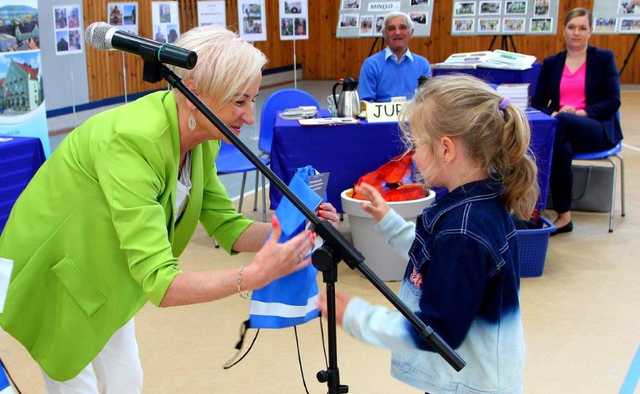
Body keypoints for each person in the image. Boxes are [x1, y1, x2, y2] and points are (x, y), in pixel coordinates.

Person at [0, 26, 338, 393]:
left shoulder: (201, 137)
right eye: (239, 102)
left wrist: (295, 225)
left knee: (126, 381)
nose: (251, 117)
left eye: (253, 100)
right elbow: (163, 284)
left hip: (110, 267)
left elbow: (228, 227)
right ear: (194, 94)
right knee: (74, 381)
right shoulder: (131, 141)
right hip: (54, 271)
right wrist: (253, 276)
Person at [319, 75, 538, 394]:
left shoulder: (463, 229)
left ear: (446, 148)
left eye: (417, 143)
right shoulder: (474, 206)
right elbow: (439, 263)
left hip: (471, 385)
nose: (413, 154)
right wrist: (388, 220)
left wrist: (356, 317)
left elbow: (437, 330)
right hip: (466, 377)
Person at [532, 7, 622, 235]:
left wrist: (581, 113)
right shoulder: (552, 63)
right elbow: (538, 102)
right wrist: (553, 113)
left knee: (559, 130)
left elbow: (613, 101)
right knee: (561, 143)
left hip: (596, 128)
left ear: (591, 31)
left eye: (583, 28)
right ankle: (564, 216)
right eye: (571, 27)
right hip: (563, 128)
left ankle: (537, 209)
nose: (576, 33)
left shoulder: (603, 59)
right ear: (563, 30)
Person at [358, 11, 431, 102]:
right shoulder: (371, 64)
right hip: (380, 116)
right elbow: (366, 103)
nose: (397, 32)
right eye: (391, 28)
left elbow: (427, 101)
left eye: (402, 27)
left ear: (411, 32)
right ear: (384, 34)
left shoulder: (423, 65)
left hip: (414, 115)